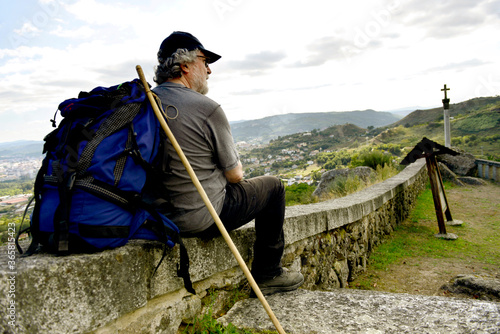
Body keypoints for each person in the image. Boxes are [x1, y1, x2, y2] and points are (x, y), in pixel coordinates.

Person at [151, 31, 304, 295]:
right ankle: (269, 273)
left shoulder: (146, 102)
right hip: (198, 217)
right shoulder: (206, 108)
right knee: (274, 186)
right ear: (185, 65)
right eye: (204, 61)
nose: (209, 70)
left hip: (155, 217)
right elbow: (234, 176)